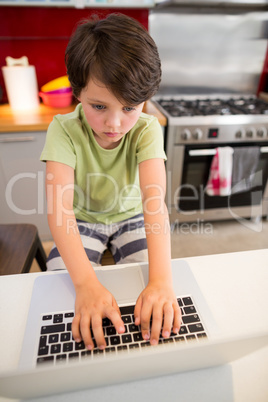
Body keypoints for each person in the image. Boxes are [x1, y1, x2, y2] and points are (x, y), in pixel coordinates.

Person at [40, 13, 181, 351]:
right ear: (77, 93)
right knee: (64, 294)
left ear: (145, 100)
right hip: (82, 221)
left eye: (130, 107)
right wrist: (86, 284)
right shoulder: (63, 130)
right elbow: (60, 213)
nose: (115, 123)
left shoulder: (147, 129)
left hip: (131, 216)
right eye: (99, 106)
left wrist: (161, 280)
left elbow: (153, 204)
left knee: (145, 294)